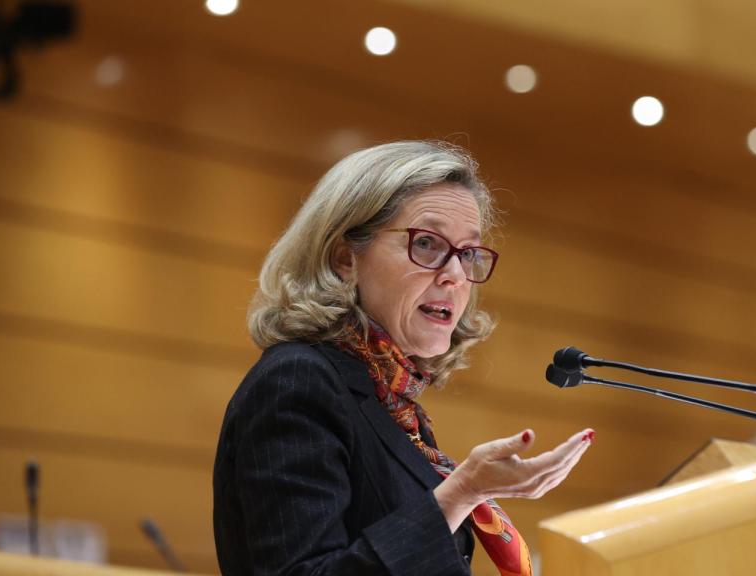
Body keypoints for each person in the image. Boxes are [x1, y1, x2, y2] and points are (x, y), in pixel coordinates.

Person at [213, 141, 593, 576]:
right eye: (427, 243)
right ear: (344, 257)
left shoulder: (392, 404)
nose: (454, 274)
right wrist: (460, 493)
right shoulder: (297, 382)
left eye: (467, 253)